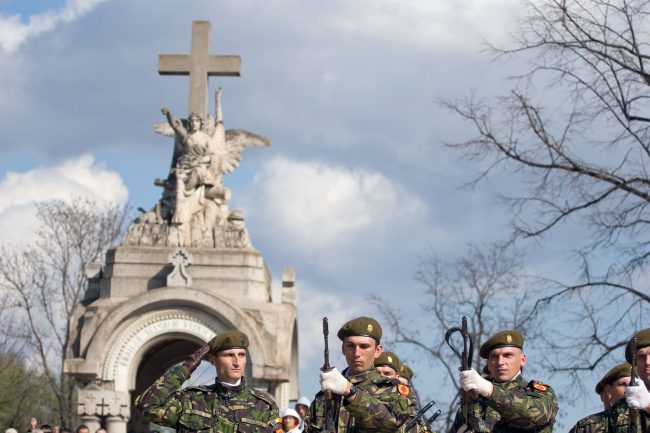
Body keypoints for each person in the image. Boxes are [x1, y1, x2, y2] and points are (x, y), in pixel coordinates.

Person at [136, 329, 281, 433]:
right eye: (229, 355)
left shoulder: (264, 406)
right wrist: (185, 370)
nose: (237, 362)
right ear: (213, 360)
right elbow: (147, 405)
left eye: (241, 355)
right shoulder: (191, 400)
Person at [307, 316, 416, 433]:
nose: (356, 353)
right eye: (351, 346)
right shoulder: (324, 397)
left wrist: (349, 391)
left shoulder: (394, 390)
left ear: (377, 350)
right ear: (343, 348)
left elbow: (390, 423)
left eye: (364, 346)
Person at [448, 330, 558, 433]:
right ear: (489, 364)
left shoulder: (538, 393)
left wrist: (488, 389)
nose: (500, 362)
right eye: (494, 357)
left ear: (522, 360)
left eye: (508, 355)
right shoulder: (475, 403)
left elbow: (532, 416)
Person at [568, 362, 632, 433]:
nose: (630, 389)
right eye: (623, 384)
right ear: (609, 390)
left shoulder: (645, 420)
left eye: (634, 384)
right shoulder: (588, 427)